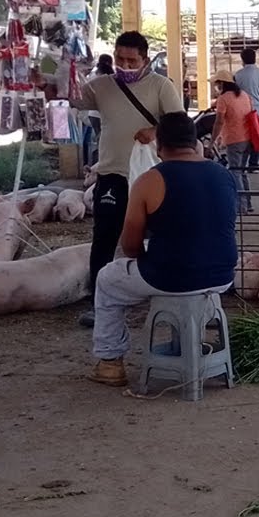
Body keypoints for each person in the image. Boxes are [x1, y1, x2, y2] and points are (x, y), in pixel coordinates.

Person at [88, 112, 239, 387]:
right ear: (195, 142)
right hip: (223, 276)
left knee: (107, 279)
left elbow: (130, 247)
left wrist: (152, 252)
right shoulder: (224, 175)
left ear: (159, 146)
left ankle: (110, 363)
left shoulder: (149, 180)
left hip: (170, 277)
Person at [75, 31, 185, 329]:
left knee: (158, 236)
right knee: (104, 237)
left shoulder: (161, 86)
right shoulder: (100, 86)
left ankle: (160, 292)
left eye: (131, 60)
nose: (124, 65)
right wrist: (48, 77)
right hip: (112, 174)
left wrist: (155, 131)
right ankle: (98, 301)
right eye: (120, 59)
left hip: (152, 177)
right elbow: (70, 97)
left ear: (145, 60)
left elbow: (180, 124)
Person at [211, 70, 254, 214]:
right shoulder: (244, 95)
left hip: (234, 139)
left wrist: (212, 142)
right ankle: (248, 203)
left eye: (217, 83)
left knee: (235, 172)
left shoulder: (223, 99)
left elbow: (219, 122)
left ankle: (241, 206)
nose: (216, 86)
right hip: (247, 138)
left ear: (222, 84)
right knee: (242, 171)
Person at [234, 48, 259, 172]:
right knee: (256, 137)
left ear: (242, 59)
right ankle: (253, 164)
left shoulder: (238, 75)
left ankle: (242, 164)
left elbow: (235, 94)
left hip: (243, 111)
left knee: (243, 137)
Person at [83, 54, 113, 166]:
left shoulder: (92, 76)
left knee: (100, 140)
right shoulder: (110, 77)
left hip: (93, 114)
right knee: (104, 142)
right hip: (105, 114)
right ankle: (99, 165)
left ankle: (95, 165)